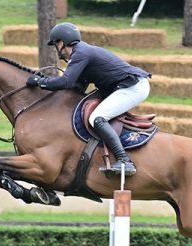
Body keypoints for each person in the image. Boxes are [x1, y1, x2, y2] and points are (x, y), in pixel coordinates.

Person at [26, 22, 151, 176]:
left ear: (62, 41)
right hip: (122, 86)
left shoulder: (80, 53)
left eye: (56, 44)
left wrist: (40, 82)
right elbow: (76, 88)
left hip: (133, 87)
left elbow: (65, 82)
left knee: (97, 118)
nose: (57, 49)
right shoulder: (81, 53)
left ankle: (125, 161)